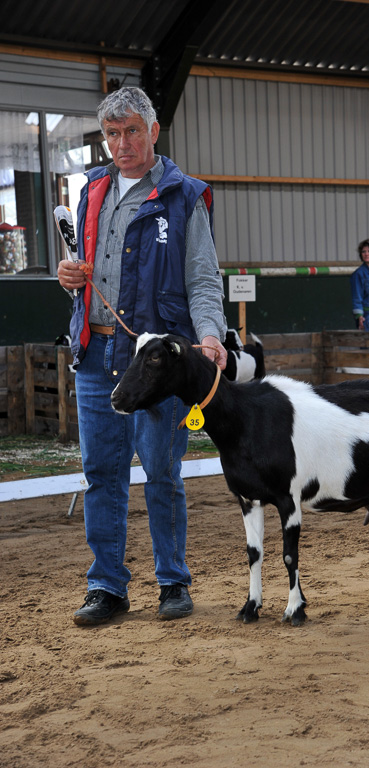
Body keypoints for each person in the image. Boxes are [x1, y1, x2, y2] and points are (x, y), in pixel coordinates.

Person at [57, 87, 228, 626]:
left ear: (154, 131)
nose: (122, 143)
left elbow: (203, 278)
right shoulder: (92, 191)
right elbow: (86, 270)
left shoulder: (184, 196)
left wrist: (210, 336)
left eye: (132, 131)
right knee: (101, 473)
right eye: (112, 134)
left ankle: (172, 581)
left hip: (156, 361)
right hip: (95, 349)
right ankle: (107, 587)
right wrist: (69, 280)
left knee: (161, 470)